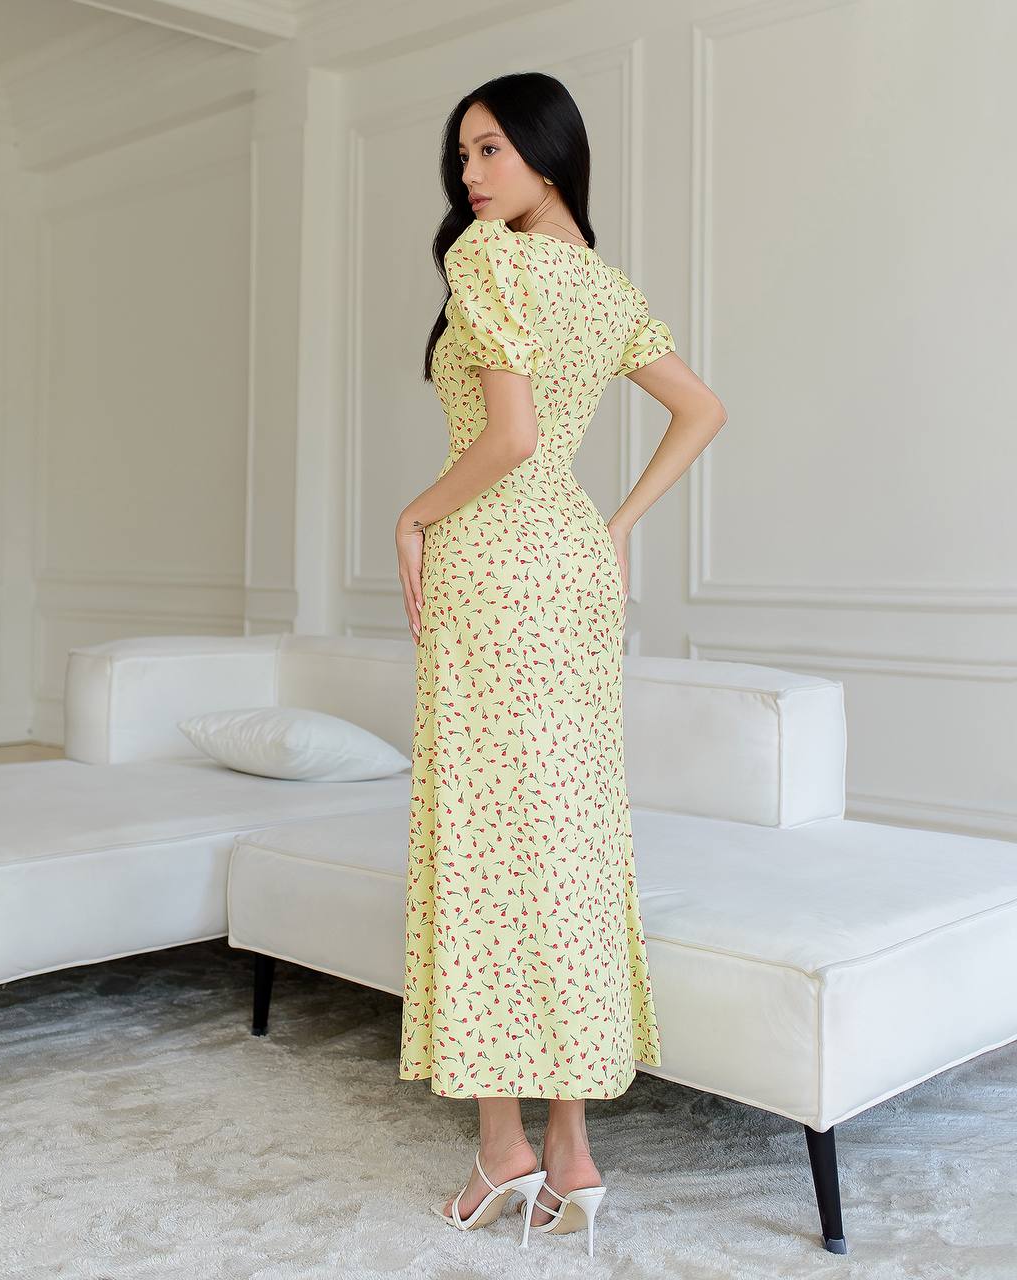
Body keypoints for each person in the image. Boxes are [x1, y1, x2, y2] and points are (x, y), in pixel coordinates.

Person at [395, 71, 727, 1253]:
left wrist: (414, 517)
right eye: (462, 158)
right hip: (577, 572)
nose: (470, 177)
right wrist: (620, 525)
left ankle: (504, 1149)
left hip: (493, 561)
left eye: (488, 150)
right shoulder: (607, 285)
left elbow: (511, 439)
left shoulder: (486, 262)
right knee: (571, 841)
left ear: (546, 153)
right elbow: (702, 409)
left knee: (488, 841)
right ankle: (573, 1151)